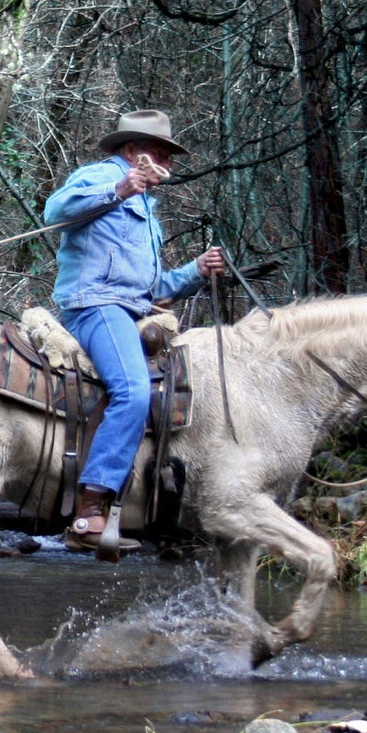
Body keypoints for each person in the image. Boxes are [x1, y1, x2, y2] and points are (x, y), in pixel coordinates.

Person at [41, 109, 225, 549]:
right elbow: (54, 210)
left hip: (129, 311)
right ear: (132, 151)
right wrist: (119, 188)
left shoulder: (148, 210)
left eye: (169, 155)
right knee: (134, 391)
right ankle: (90, 513)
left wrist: (197, 269)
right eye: (160, 152)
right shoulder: (101, 176)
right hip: (95, 306)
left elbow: (152, 290)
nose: (168, 163)